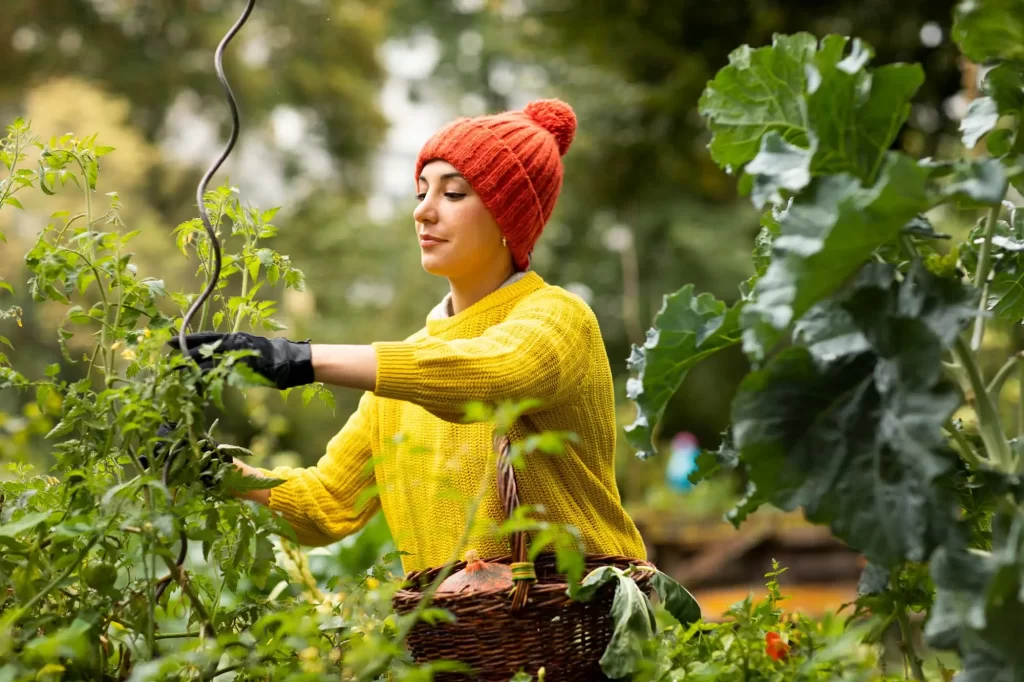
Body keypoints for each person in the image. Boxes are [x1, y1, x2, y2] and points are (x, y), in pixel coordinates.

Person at [174, 98, 647, 574]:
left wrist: (297, 359)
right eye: (421, 193)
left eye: (453, 194)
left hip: (581, 619)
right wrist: (210, 468)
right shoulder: (406, 366)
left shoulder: (559, 317)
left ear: (511, 220)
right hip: (461, 637)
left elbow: (495, 375)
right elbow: (328, 504)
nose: (423, 212)